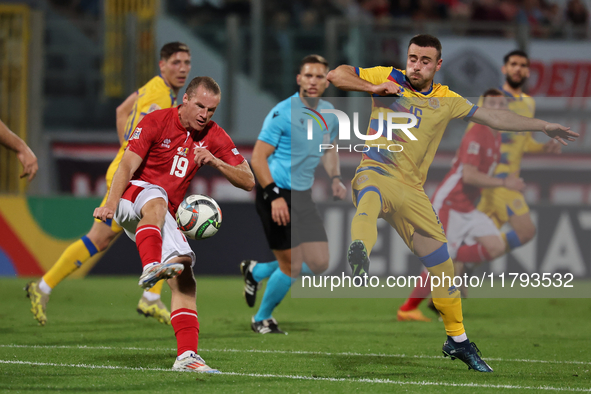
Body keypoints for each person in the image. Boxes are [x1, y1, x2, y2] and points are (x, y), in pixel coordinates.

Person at [327, 34, 577, 372]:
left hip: (413, 191)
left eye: (424, 61)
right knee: (368, 199)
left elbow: (497, 119)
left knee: (443, 268)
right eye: (413, 58)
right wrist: (372, 89)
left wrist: (543, 125)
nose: (416, 66)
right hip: (376, 170)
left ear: (438, 65)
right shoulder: (388, 76)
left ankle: (457, 341)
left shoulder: (448, 99)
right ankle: (360, 252)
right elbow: (336, 74)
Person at [94, 76, 254, 372]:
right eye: (200, 106)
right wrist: (110, 203)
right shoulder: (156, 120)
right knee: (155, 197)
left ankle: (187, 357)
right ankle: (150, 266)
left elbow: (248, 180)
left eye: (212, 110)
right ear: (186, 100)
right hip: (134, 196)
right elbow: (127, 164)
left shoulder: (213, 135)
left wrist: (216, 162)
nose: (205, 115)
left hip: (164, 213)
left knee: (185, 277)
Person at [25, 42, 192, 326]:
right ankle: (150, 298)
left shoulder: (153, 87)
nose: (183, 68)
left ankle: (41, 288)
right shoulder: (161, 99)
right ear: (161, 65)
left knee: (99, 239)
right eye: (176, 62)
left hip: (125, 168)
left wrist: (126, 148)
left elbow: (120, 111)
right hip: (132, 175)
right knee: (162, 225)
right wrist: (134, 157)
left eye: (187, 63)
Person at [397, 89, 525, 322]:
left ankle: (456, 262)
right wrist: (505, 182)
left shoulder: (495, 135)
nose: (497, 109)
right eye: (492, 105)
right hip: (450, 203)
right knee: (439, 260)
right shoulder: (478, 133)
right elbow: (469, 176)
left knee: (495, 246)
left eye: (501, 105)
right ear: (483, 107)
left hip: (466, 206)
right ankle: (407, 309)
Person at [240, 54, 346, 334]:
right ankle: (261, 319)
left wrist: (335, 177)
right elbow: (258, 158)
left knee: (320, 263)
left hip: (301, 195)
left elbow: (329, 148)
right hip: (273, 192)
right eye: (308, 75)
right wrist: (274, 195)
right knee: (293, 266)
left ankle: (257, 272)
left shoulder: (330, 116)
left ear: (327, 82)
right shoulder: (282, 112)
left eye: (319, 76)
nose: (313, 81)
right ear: (299, 79)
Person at [475, 50, 561, 255]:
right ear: (504, 69)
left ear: (528, 72)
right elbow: (475, 134)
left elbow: (524, 141)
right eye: (513, 64)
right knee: (526, 231)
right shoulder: (491, 99)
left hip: (507, 181)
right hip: (495, 180)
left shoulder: (528, 103)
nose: (518, 68)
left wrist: (543, 148)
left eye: (522, 65)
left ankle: (458, 271)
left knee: (479, 243)